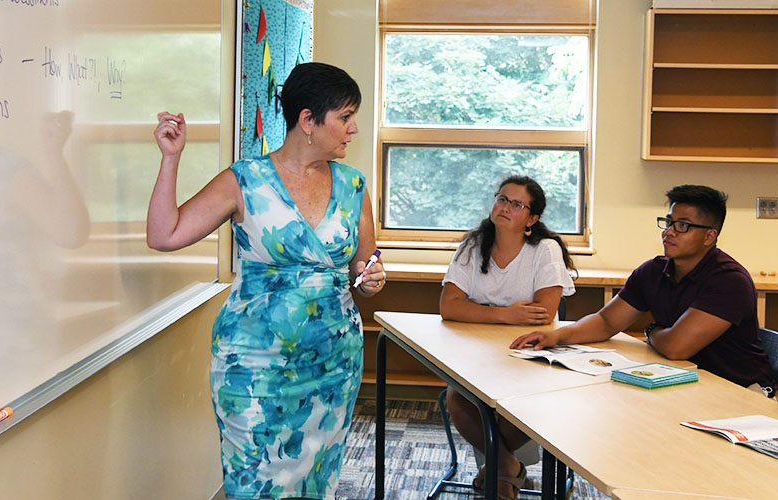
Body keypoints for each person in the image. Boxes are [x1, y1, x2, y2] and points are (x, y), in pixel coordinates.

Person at [147, 62, 386, 500]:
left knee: (318, 478)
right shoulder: (244, 181)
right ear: (308, 120)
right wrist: (171, 160)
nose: (353, 129)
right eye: (345, 118)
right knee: (255, 480)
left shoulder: (354, 185)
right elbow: (165, 235)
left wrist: (372, 277)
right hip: (254, 365)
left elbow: (365, 263)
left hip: (333, 366)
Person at [511, 184, 774, 393]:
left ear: (709, 236)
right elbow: (606, 321)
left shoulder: (729, 280)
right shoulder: (654, 271)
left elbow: (676, 348)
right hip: (681, 380)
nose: (669, 232)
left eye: (682, 226)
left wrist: (652, 331)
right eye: (668, 222)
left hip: (736, 389)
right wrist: (556, 338)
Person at [439, 175, 576, 500]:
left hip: (529, 353)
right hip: (477, 353)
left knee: (521, 403)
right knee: (457, 397)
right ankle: (508, 467)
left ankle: (499, 470)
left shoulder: (545, 250)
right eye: (502, 199)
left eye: (516, 204)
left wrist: (478, 310)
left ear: (532, 219)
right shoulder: (473, 246)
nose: (505, 207)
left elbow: (543, 313)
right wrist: (508, 314)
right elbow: (449, 307)